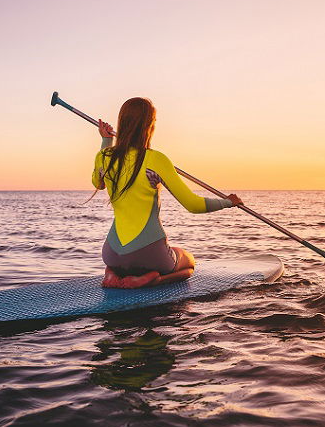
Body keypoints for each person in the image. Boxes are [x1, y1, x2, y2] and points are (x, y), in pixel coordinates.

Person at [92, 97, 242, 289]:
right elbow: (193, 205)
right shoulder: (156, 159)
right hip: (150, 255)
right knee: (188, 263)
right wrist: (227, 202)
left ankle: (112, 273)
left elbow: (98, 183)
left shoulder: (104, 157)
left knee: (124, 261)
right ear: (149, 126)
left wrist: (106, 141)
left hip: (111, 254)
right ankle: (152, 279)